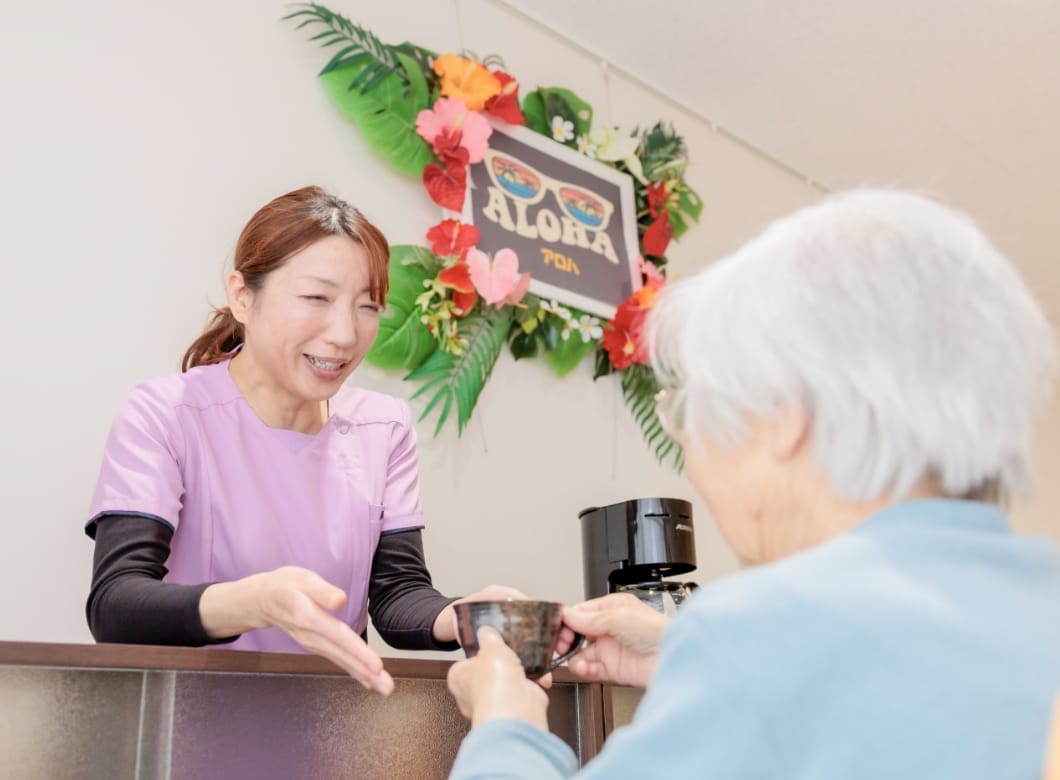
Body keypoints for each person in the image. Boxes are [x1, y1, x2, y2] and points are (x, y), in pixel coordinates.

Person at [445, 188, 1060, 777]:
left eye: (696, 411)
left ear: (785, 413)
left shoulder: (767, 627)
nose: (692, 452)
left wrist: (507, 720)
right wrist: (686, 653)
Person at [85, 185, 519, 696]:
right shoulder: (167, 414)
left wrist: (470, 617)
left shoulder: (384, 427)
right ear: (243, 296)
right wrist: (257, 602)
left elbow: (398, 595)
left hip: (328, 722)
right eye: (317, 298)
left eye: (368, 306)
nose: (343, 334)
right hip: (186, 717)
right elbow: (115, 604)